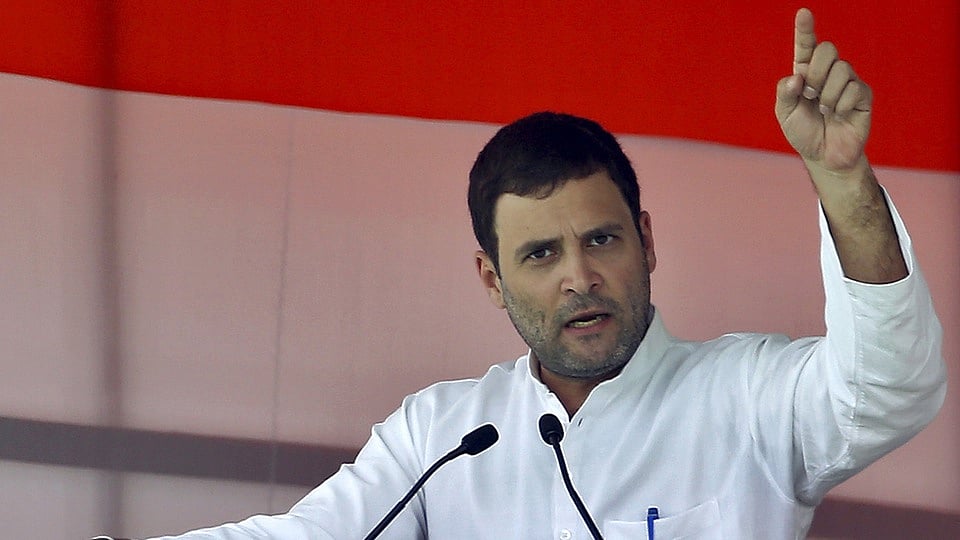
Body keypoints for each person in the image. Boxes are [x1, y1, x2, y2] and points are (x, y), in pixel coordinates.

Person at [143, 8, 945, 539]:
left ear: (648, 242)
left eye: (602, 240)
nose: (579, 277)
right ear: (491, 280)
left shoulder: (747, 397)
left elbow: (890, 388)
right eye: (540, 255)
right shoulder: (443, 435)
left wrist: (843, 182)